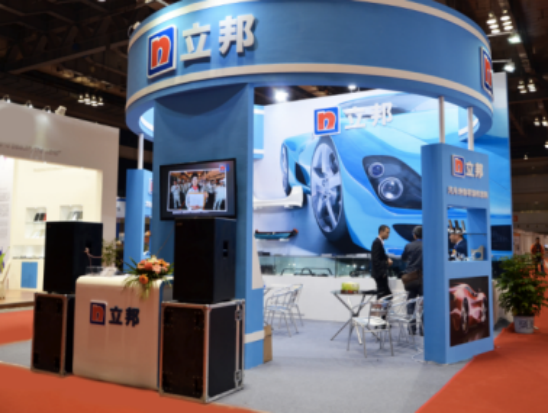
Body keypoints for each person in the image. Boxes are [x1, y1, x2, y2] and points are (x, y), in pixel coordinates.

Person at [402, 226, 423, 335]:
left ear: (414, 235)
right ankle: (423, 330)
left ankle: (411, 329)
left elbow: (403, 258)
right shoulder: (427, 245)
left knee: (410, 304)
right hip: (424, 278)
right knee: (424, 305)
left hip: (411, 278)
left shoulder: (408, 246)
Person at [371, 225, 393, 300]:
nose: (388, 235)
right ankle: (378, 307)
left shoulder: (380, 242)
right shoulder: (377, 242)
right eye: (387, 232)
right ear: (381, 232)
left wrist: (387, 258)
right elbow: (376, 260)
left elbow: (382, 254)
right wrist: (382, 272)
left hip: (381, 274)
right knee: (383, 295)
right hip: (380, 274)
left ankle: (381, 307)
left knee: (386, 295)